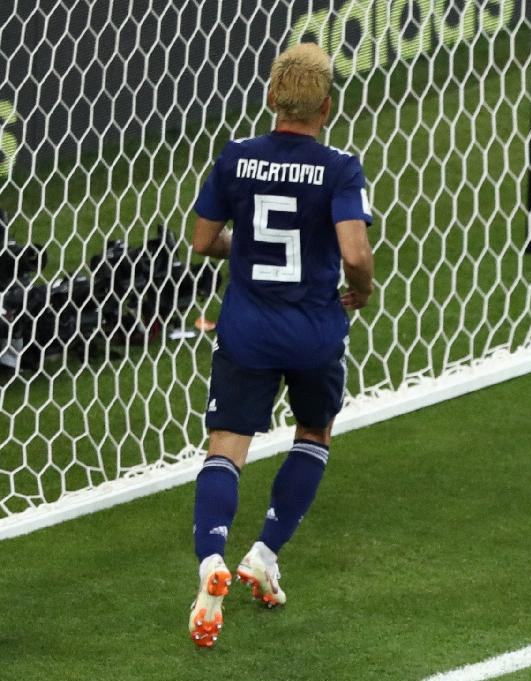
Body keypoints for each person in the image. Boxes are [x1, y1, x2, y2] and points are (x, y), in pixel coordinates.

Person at [185, 44, 376, 647]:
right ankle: (265, 553)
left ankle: (211, 561)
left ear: (272, 97)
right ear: (327, 106)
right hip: (313, 331)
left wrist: (241, 250)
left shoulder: (236, 157)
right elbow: (355, 253)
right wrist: (362, 289)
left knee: (226, 447)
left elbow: (202, 240)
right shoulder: (339, 167)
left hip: (247, 329)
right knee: (313, 434)